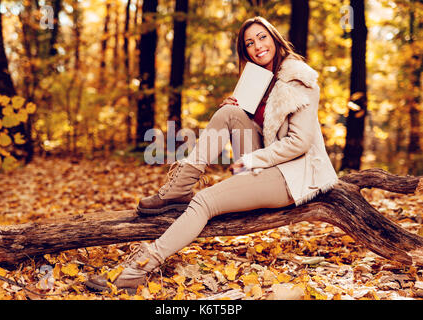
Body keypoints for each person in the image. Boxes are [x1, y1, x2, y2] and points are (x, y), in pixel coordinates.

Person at [85, 16, 339, 293]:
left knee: (205, 201)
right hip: (272, 163)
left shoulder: (299, 78)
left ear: (275, 38)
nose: (257, 46)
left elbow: (299, 142)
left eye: (262, 37)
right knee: (228, 113)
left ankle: (138, 269)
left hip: (295, 174)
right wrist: (241, 111)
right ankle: (179, 188)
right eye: (250, 43)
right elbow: (268, 131)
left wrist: (251, 161)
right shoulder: (261, 78)